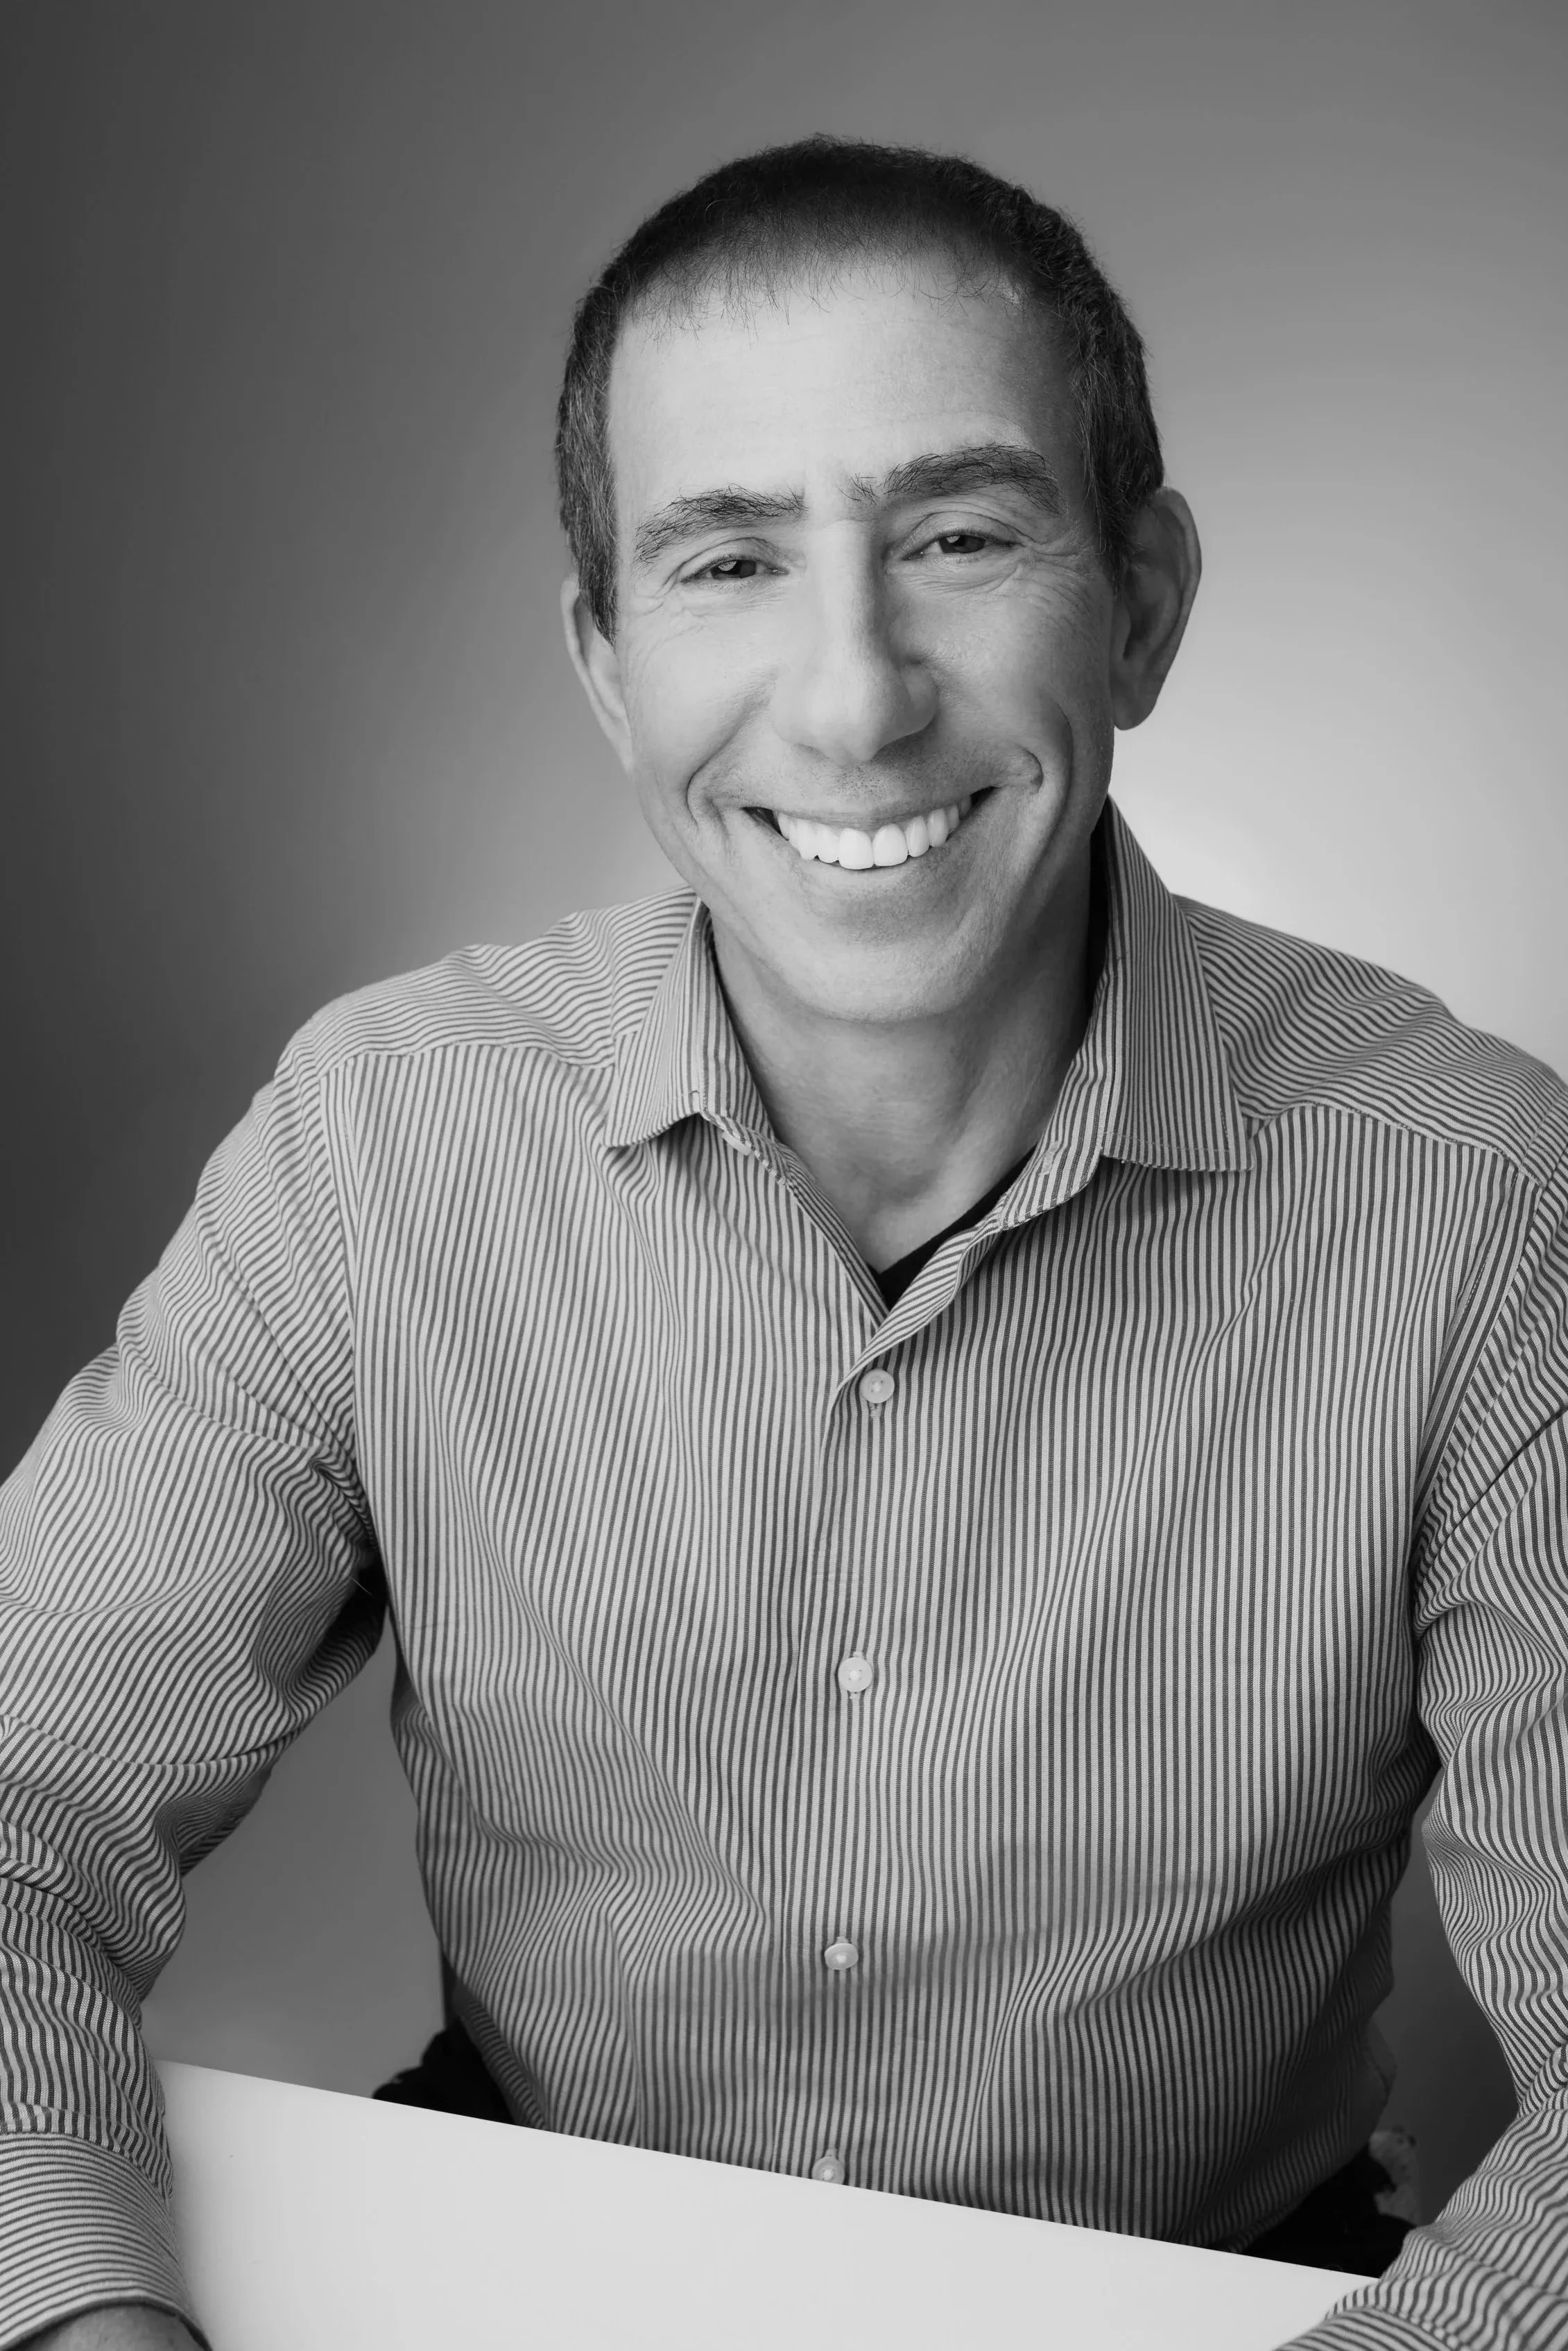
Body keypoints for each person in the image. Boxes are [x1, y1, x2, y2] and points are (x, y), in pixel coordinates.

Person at [3, 135, 1565, 2351]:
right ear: (604, 659)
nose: (852, 700)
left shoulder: (1476, 1202)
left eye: (957, 535)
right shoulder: (381, 1137)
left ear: (1137, 602)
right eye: (727, 559)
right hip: (519, 2259)